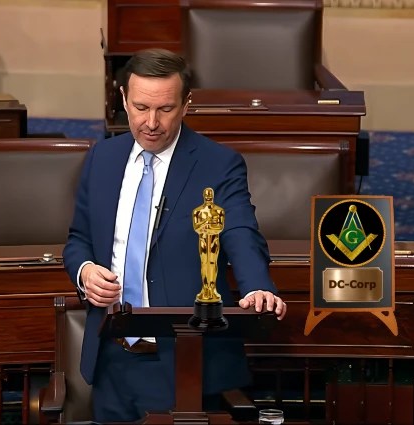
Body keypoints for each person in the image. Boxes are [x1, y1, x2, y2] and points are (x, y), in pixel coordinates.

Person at [62, 47, 287, 423]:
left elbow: (240, 230)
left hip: (185, 356)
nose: (151, 122)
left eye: (165, 109)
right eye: (140, 107)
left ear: (186, 104)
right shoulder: (102, 158)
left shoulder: (218, 164)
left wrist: (256, 286)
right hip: (112, 356)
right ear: (123, 99)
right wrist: (85, 271)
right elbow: (78, 238)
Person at [192, 187, 224, 302]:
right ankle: (205, 289)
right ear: (204, 196)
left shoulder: (219, 211)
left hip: (214, 240)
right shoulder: (198, 211)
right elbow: (196, 227)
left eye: (210, 194)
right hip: (203, 240)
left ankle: (212, 288)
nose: (208, 196)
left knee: (212, 263)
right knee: (204, 263)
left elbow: (220, 227)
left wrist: (208, 226)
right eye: (207, 194)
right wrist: (206, 224)